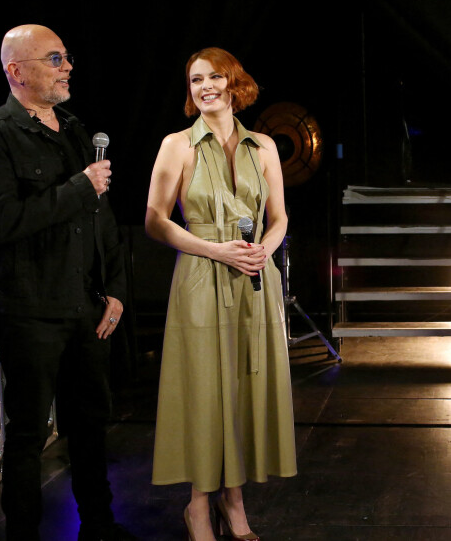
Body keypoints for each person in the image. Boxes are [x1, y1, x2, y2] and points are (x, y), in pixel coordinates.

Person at [0, 24, 137, 541]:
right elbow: (2, 222)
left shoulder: (76, 129)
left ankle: (99, 526)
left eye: (66, 57)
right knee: (27, 432)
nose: (67, 67)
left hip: (87, 306)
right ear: (16, 72)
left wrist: (116, 290)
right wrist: (77, 189)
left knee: (89, 425)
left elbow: (101, 217)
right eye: (54, 58)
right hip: (30, 310)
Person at [146, 47, 297, 541]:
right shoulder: (177, 145)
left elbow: (279, 219)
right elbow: (154, 220)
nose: (204, 86)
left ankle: (234, 503)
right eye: (195, 80)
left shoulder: (265, 147)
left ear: (235, 83)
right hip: (199, 277)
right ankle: (198, 505)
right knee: (205, 392)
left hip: (255, 280)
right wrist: (218, 251)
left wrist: (263, 252)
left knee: (244, 390)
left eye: (214, 76)